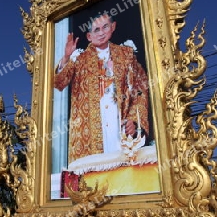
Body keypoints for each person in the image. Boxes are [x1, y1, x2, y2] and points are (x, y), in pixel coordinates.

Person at [54, 14, 149, 164]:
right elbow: (59, 82)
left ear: (113, 27)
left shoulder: (127, 54)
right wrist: (66, 57)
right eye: (96, 30)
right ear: (89, 36)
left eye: (105, 27)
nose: (101, 32)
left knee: (122, 174)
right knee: (94, 179)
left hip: (119, 128)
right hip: (88, 133)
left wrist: (134, 121)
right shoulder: (79, 58)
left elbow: (140, 89)